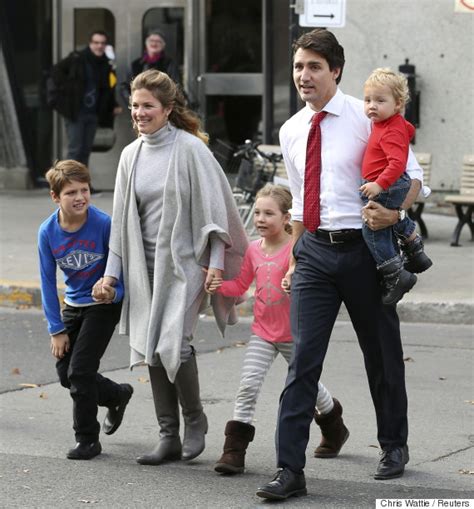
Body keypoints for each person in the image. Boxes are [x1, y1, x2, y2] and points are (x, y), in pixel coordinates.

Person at [256, 29, 424, 501]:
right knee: (302, 362)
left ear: (335, 71)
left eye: (313, 66)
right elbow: (298, 207)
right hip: (313, 255)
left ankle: (393, 445)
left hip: (365, 252)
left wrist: (395, 212)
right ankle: (290, 468)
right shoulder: (291, 130)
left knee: (382, 353)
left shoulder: (367, 115)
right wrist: (292, 258)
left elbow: (415, 178)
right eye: (298, 67)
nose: (303, 76)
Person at [92, 69, 247, 466]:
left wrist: (215, 265)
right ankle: (169, 436)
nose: (140, 113)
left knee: (174, 344)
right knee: (153, 349)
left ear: (167, 109)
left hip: (186, 265)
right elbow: (121, 223)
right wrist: (111, 275)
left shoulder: (191, 149)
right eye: (134, 107)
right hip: (145, 269)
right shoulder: (131, 155)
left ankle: (195, 420)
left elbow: (216, 216)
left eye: (148, 106)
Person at [209, 184, 349, 475]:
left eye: (268, 213)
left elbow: (313, 287)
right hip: (262, 333)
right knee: (248, 385)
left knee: (308, 386)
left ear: (287, 218)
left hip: (294, 334)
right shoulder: (253, 250)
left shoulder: (296, 249)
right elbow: (241, 286)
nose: (260, 218)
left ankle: (335, 427)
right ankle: (233, 450)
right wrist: (218, 284)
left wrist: (293, 283)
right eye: (257, 212)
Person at [37, 160, 133, 460]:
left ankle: (87, 440)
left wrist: (114, 292)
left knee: (80, 371)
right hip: (73, 306)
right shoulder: (47, 232)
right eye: (71, 193)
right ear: (55, 197)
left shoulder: (103, 224)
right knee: (67, 374)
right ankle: (116, 395)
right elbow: (47, 283)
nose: (80, 197)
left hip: (102, 308)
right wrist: (57, 329)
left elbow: (127, 272)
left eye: (84, 190)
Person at [360, 67, 432, 305]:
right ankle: (415, 250)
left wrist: (378, 185)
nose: (372, 106)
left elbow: (397, 162)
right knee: (388, 221)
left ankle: (396, 275)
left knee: (373, 230)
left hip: (386, 184)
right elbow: (408, 130)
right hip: (387, 183)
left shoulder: (389, 130)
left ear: (398, 104)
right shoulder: (391, 124)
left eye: (380, 101)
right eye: (368, 100)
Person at [49, 30, 122, 192]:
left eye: (102, 43)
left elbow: (107, 89)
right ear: (90, 43)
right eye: (96, 42)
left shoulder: (105, 63)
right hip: (76, 112)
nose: (99, 46)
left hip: (92, 112)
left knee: (85, 150)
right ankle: (67, 185)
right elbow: (56, 72)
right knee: (75, 149)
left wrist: (113, 105)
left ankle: (83, 185)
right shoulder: (77, 58)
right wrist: (69, 90)